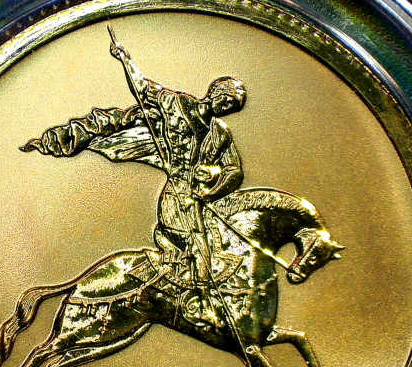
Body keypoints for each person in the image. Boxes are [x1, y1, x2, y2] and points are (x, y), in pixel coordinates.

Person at [22, 37, 247, 328]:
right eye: (226, 99)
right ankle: (202, 306)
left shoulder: (220, 133)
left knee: (224, 244)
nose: (226, 106)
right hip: (176, 197)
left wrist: (212, 186)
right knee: (199, 246)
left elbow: (234, 171)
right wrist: (125, 59)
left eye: (232, 107)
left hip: (198, 199)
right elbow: (144, 89)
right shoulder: (177, 104)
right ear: (214, 91)